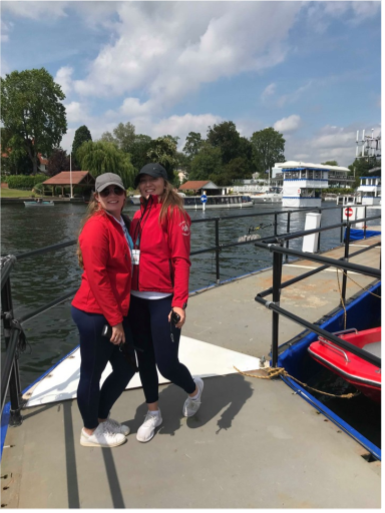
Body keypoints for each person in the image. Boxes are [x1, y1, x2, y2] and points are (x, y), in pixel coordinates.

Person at [129, 163, 204, 443]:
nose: (148, 184)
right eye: (143, 180)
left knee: (167, 364)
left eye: (153, 180)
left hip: (163, 300)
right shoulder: (138, 214)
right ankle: (153, 413)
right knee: (144, 360)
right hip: (137, 301)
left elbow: (181, 260)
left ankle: (194, 389)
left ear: (164, 182)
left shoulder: (174, 213)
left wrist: (180, 302)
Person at [72, 173, 136, 448]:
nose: (112, 195)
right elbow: (97, 277)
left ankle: (99, 417)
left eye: (117, 190)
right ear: (96, 197)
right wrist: (115, 321)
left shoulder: (120, 222)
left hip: (113, 312)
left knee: (125, 368)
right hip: (95, 313)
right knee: (92, 373)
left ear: (124, 194)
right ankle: (89, 431)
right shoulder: (97, 227)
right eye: (105, 191)